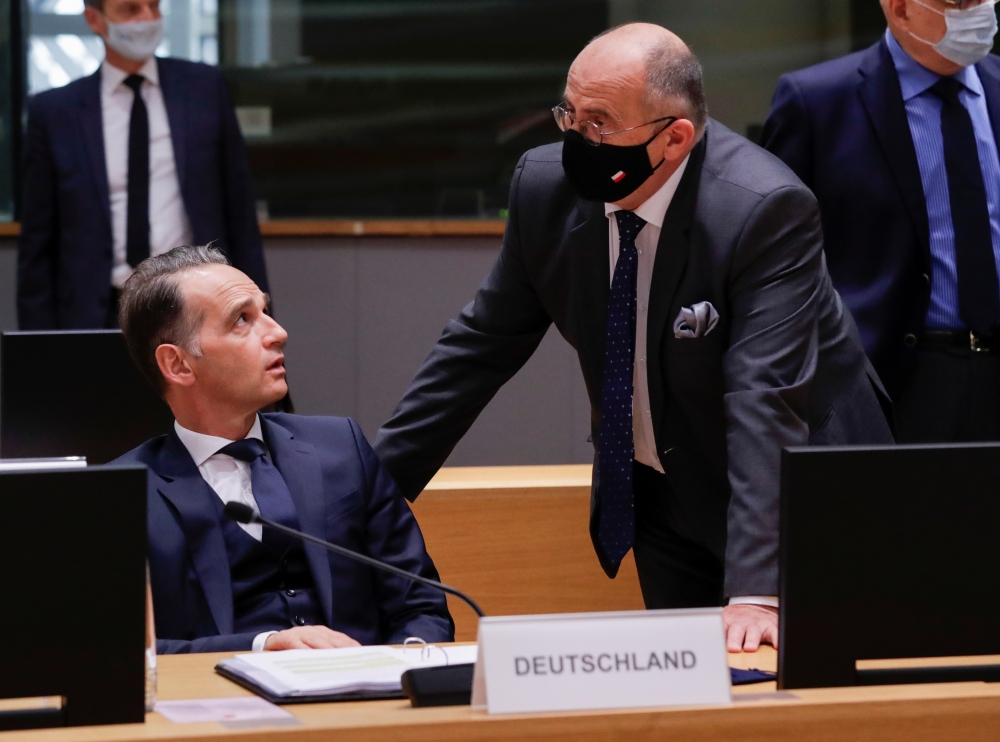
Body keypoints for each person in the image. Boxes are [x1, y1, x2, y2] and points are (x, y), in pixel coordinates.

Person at [374, 23, 894, 653]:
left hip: (799, 503)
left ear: (674, 137)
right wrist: (374, 492)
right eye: (569, 112)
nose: (575, 139)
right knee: (690, 696)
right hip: (661, 491)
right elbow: (479, 347)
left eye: (600, 123)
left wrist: (758, 588)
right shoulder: (545, 190)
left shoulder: (761, 209)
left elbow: (766, 397)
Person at [113, 245, 453, 653]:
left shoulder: (342, 448)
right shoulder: (121, 493)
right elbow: (124, 649)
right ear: (179, 365)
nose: (277, 332)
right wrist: (261, 645)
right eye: (242, 319)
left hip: (362, 698)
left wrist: (403, 667)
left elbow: (421, 604)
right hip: (221, 708)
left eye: (265, 311)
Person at [762, 0, 1000, 442]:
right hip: (889, 374)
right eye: (959, 3)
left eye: (982, 0)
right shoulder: (817, 101)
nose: (979, 13)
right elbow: (775, 263)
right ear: (901, 9)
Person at [18, 0, 268, 331]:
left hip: (198, 308)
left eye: (153, 6)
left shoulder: (203, 90)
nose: (147, 19)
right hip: (95, 310)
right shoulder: (54, 113)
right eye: (131, 9)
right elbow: (38, 244)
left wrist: (259, 315)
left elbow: (240, 218)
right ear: (95, 20)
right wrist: (38, 346)